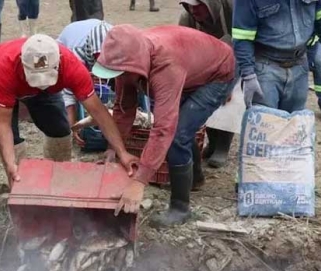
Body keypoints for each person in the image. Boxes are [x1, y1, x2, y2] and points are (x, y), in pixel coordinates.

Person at [92, 25, 235, 225]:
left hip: (218, 72)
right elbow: (124, 109)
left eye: (122, 73)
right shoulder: (127, 61)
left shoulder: (165, 66)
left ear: (134, 64)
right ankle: (195, 179)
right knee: (182, 129)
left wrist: (139, 182)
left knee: (176, 133)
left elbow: (163, 129)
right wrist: (113, 149)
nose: (120, 79)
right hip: (193, 67)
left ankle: (180, 208)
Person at [0, 34, 135, 185]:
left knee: (59, 129)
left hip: (42, 83)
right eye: (36, 80)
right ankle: (17, 181)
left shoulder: (71, 66)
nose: (40, 84)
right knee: (12, 136)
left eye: (45, 79)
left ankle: (58, 178)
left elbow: (99, 113)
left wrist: (121, 152)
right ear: (23, 64)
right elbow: (3, 124)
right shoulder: (5, 68)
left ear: (58, 64)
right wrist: (10, 163)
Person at [233, 0, 321, 112]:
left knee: (293, 124)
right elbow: (242, 37)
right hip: (265, 69)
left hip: (299, 66)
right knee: (268, 124)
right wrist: (248, 75)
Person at [178, 0, 234, 168]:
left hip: (234, 59)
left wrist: (229, 82)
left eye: (198, 5)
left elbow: (245, 41)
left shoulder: (231, 10)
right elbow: (183, 48)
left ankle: (223, 146)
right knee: (202, 100)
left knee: (230, 100)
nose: (193, 10)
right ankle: (213, 142)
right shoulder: (187, 18)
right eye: (190, 6)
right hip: (205, 63)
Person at [57, 19, 113, 127]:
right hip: (71, 42)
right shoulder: (72, 55)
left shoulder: (117, 42)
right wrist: (72, 126)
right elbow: (67, 94)